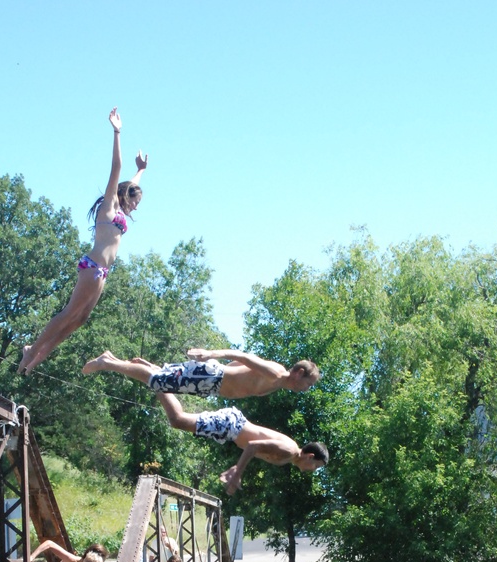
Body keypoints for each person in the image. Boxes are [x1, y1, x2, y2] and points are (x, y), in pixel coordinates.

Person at [17, 108, 147, 376]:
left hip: (103, 272)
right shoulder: (110, 205)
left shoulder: (121, 211)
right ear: (124, 195)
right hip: (92, 266)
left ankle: (38, 355)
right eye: (135, 201)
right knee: (69, 314)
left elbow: (130, 182)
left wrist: (141, 171)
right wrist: (117, 132)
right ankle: (32, 350)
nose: (136, 206)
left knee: (80, 319)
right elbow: (116, 169)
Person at [154, 392, 329, 494]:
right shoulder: (289, 451)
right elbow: (253, 445)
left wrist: (234, 469)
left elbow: (252, 449)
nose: (313, 470)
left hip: (231, 429)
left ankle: (157, 379)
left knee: (179, 420)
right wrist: (238, 473)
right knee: (178, 420)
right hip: (232, 425)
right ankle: (158, 379)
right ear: (310, 456)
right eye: (316, 466)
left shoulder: (288, 457)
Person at [82, 348, 319, 398]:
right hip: (211, 377)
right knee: (157, 382)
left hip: (209, 380)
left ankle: (115, 360)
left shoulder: (276, 382)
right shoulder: (276, 374)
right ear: (298, 373)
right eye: (308, 384)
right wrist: (210, 354)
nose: (306, 389)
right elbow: (243, 357)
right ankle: (107, 363)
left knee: (160, 377)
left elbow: (239, 368)